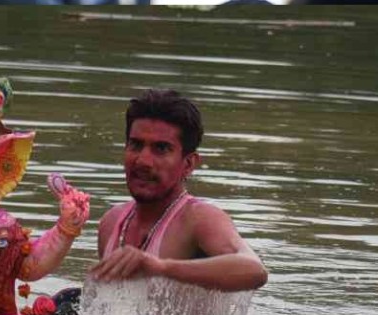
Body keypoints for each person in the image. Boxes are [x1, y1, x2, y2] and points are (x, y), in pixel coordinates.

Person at [90, 89, 267, 292]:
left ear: (189, 164)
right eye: (136, 145)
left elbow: (255, 271)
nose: (143, 161)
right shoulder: (111, 223)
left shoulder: (198, 219)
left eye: (161, 148)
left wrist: (160, 267)